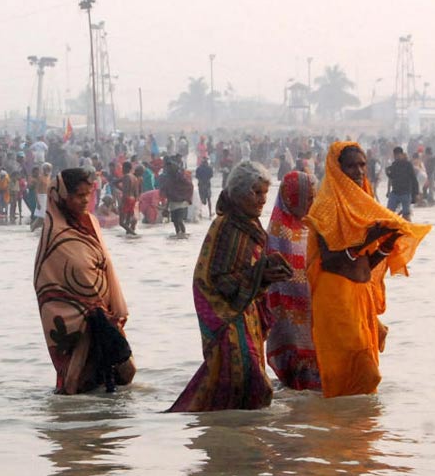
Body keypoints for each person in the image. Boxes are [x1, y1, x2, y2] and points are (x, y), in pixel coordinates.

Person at [304, 142, 430, 399]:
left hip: (360, 296)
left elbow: (362, 262)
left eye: (362, 164)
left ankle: (355, 434)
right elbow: (330, 261)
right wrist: (368, 238)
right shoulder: (326, 206)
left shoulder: (362, 207)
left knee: (363, 382)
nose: (359, 170)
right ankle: (338, 432)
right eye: (351, 165)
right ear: (337, 169)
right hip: (335, 295)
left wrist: (385, 244)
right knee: (360, 374)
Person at [168, 161, 292, 412]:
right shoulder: (227, 227)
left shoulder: (249, 225)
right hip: (226, 315)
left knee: (240, 379)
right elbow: (218, 279)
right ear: (237, 192)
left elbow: (247, 268)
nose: (261, 200)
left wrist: (267, 272)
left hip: (246, 311)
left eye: (265, 194)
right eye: (255, 193)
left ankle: (234, 434)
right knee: (247, 377)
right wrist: (261, 273)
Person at [33, 168, 136, 395]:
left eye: (88, 195)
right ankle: (76, 426)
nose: (85, 201)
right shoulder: (54, 234)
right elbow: (45, 282)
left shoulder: (91, 223)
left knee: (123, 374)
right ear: (63, 196)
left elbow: (102, 266)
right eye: (79, 196)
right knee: (77, 383)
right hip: (76, 319)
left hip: (103, 312)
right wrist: (85, 305)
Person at [265, 171, 320, 391]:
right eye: (307, 198)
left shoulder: (309, 227)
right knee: (298, 380)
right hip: (288, 316)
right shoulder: (279, 232)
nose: (312, 203)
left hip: (311, 312)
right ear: (291, 198)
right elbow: (283, 279)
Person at [385, 146, 417, 220]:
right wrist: (387, 173)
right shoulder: (394, 165)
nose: (397, 157)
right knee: (388, 213)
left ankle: (408, 229)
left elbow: (413, 178)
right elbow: (391, 178)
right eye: (395, 155)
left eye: (398, 155)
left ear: (402, 154)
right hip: (395, 192)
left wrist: (415, 193)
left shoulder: (408, 165)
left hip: (406, 193)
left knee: (406, 215)